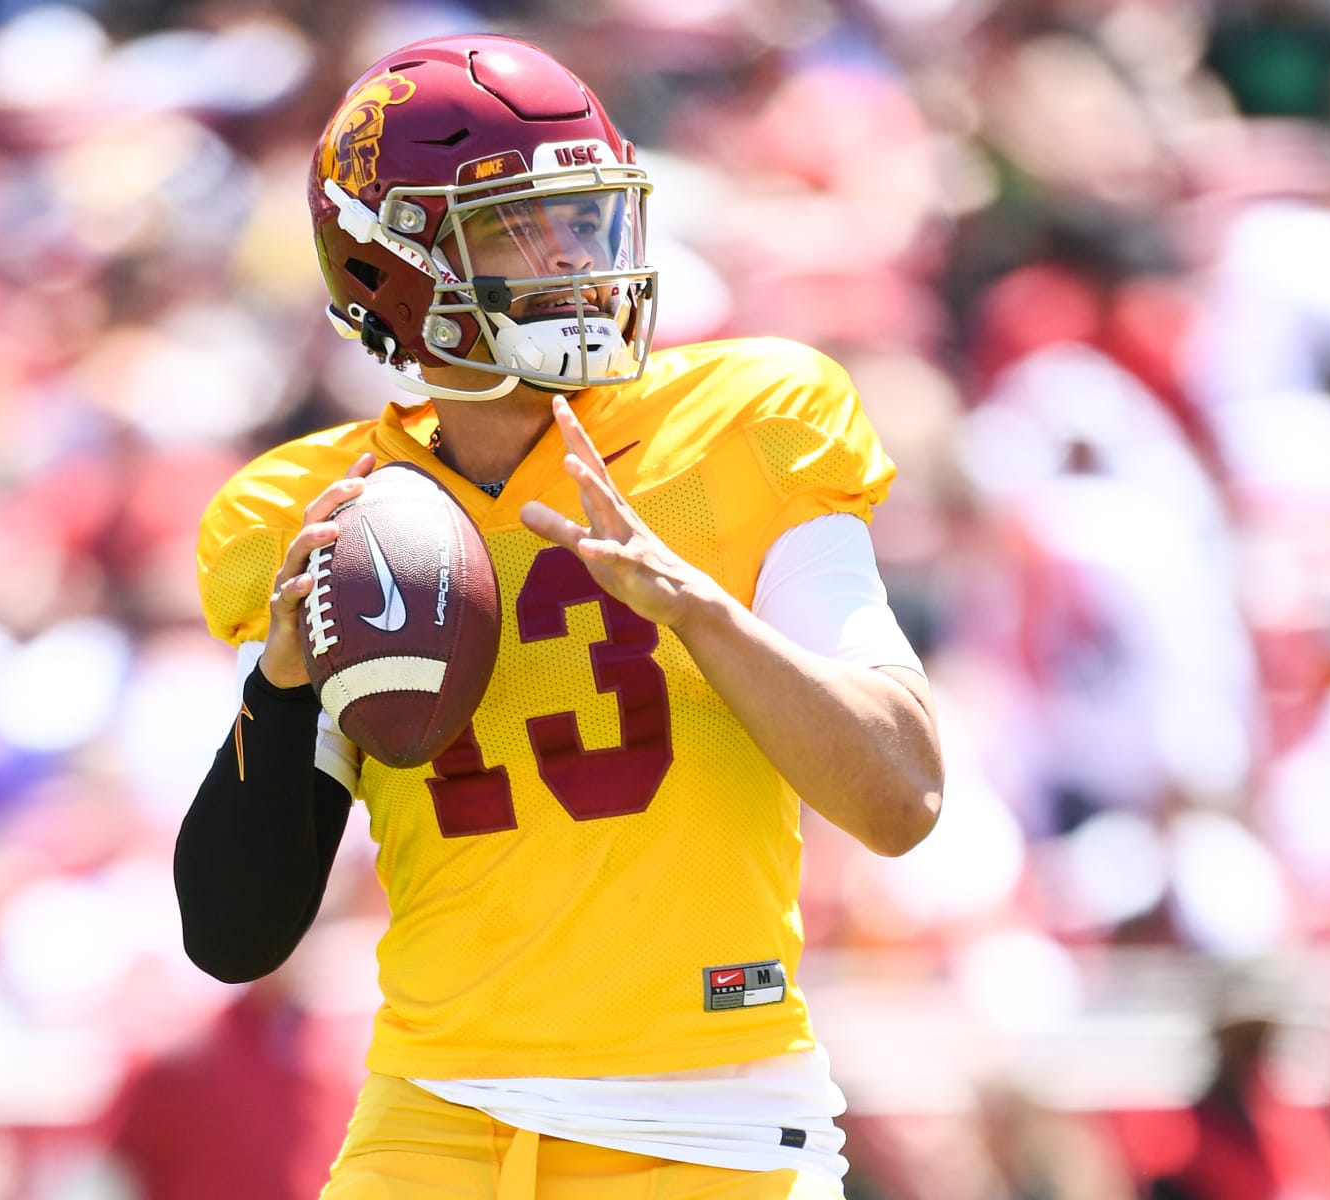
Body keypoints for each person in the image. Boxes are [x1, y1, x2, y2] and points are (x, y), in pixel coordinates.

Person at [174, 33, 944, 1200]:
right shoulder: (317, 513)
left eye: (586, 220)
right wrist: (281, 688)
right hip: (431, 1118)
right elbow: (234, 935)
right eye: (515, 230)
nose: (573, 262)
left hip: (708, 1128)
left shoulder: (745, 423)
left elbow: (902, 797)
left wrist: (698, 610)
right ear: (388, 270)